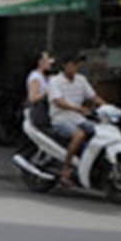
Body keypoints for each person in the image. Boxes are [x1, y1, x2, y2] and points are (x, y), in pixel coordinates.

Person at [48, 52, 108, 187]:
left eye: (77, 65)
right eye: (73, 64)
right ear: (65, 65)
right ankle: (66, 169)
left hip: (78, 118)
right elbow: (58, 102)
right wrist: (78, 108)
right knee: (79, 134)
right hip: (60, 119)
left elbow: (93, 97)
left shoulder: (81, 80)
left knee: (97, 133)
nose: (76, 67)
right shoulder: (55, 81)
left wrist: (108, 107)